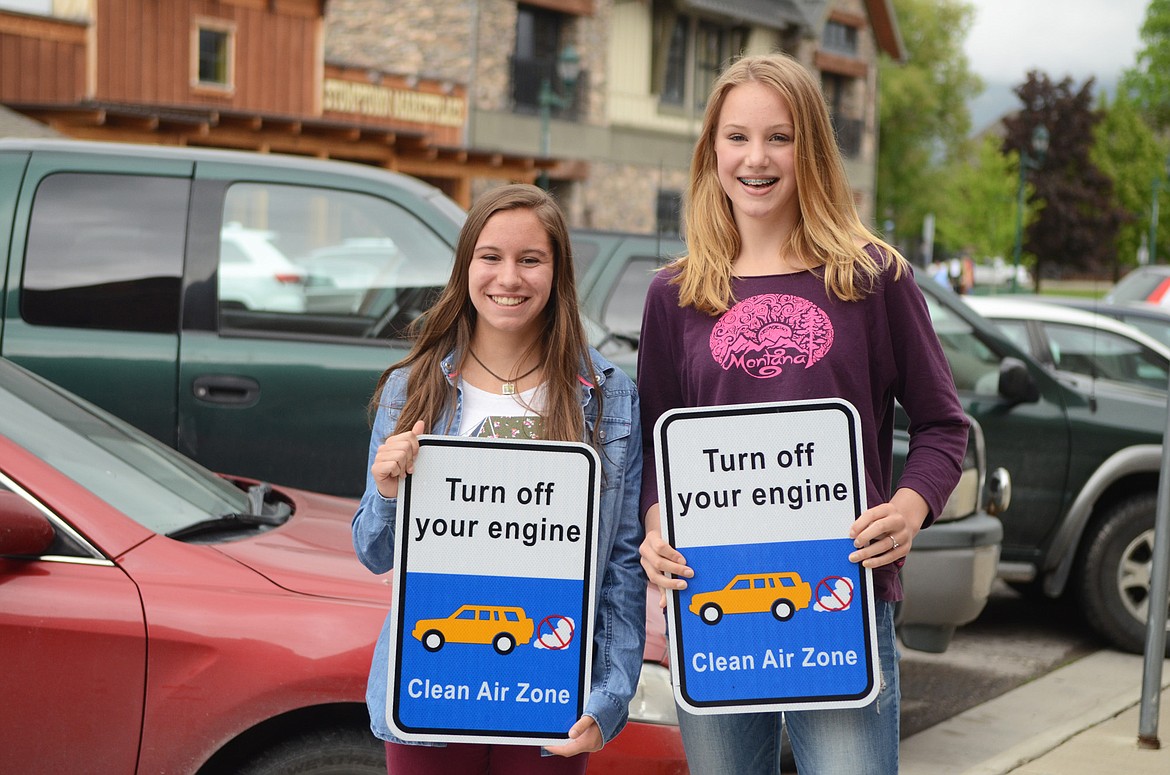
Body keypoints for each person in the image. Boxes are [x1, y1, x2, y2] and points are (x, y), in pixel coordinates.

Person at [636, 53, 969, 775]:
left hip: (838, 596)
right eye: (737, 137)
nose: (756, 158)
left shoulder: (874, 276)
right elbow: (657, 454)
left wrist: (910, 508)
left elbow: (945, 424)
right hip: (712, 605)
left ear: (811, 147)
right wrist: (656, 529)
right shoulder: (675, 294)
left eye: (779, 137)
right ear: (711, 150)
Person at [351, 183, 645, 775]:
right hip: (432, 687)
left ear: (556, 273)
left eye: (530, 259)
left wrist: (608, 696)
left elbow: (621, 562)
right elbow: (374, 553)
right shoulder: (413, 390)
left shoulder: (609, 395)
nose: (508, 277)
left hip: (552, 685)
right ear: (465, 269)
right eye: (491, 257)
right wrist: (386, 491)